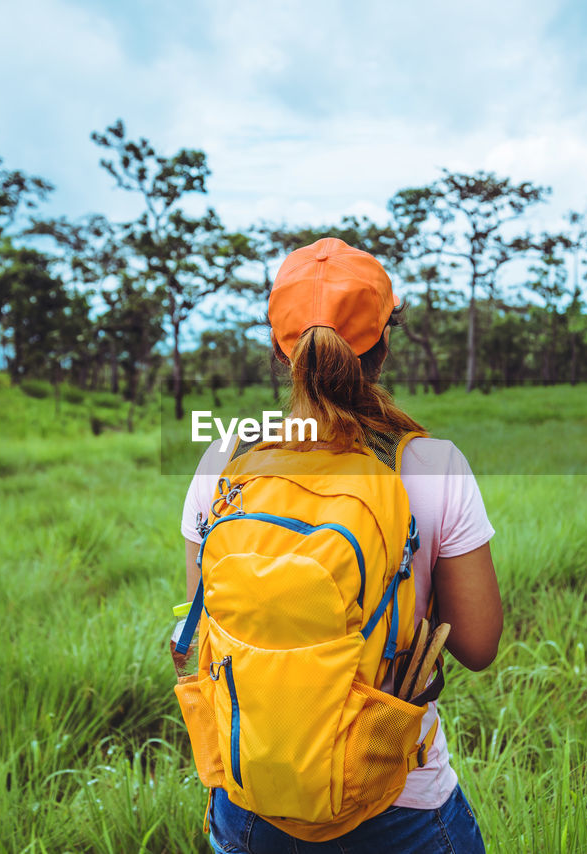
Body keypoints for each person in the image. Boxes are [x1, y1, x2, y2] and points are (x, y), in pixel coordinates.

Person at [179, 236, 503, 853]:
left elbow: (210, 620)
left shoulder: (222, 461)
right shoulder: (432, 463)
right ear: (385, 344)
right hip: (398, 797)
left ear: (282, 351)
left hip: (250, 793)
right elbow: (479, 645)